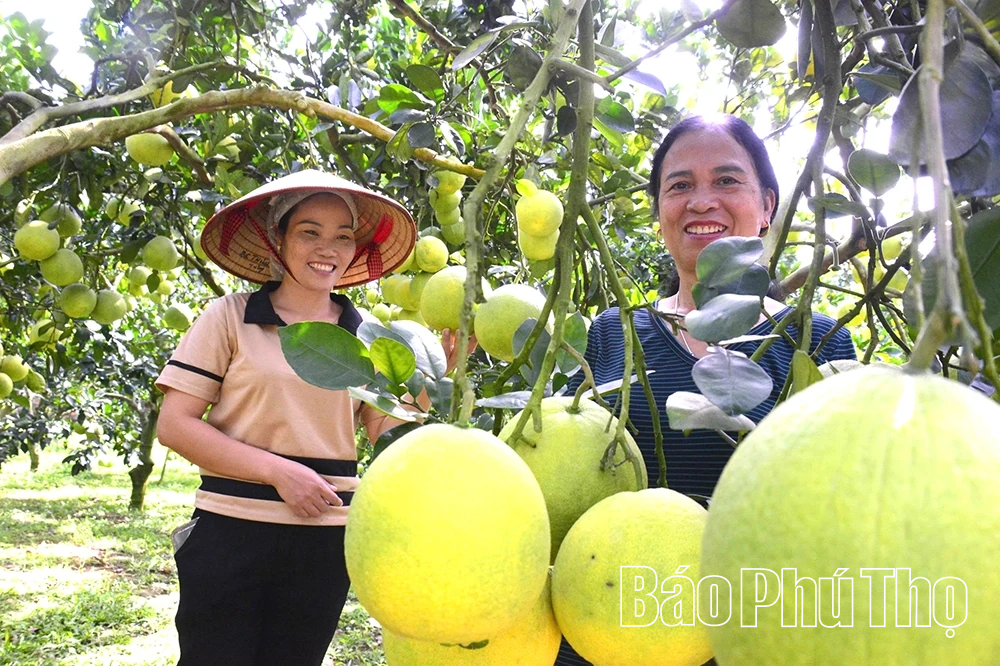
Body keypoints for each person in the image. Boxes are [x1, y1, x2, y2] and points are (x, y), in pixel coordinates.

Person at [555, 115, 857, 666]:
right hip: (602, 629)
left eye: (726, 181)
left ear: (766, 206)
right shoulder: (610, 333)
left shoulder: (819, 344)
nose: (701, 201)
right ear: (659, 213)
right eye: (680, 185)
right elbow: (557, 482)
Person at [155, 169, 424, 666]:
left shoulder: (368, 336)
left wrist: (431, 376)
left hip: (324, 539)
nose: (328, 248)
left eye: (343, 237)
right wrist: (280, 473)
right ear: (278, 239)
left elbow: (395, 438)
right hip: (232, 532)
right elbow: (175, 424)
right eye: (310, 232)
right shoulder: (230, 316)